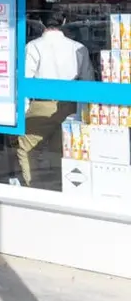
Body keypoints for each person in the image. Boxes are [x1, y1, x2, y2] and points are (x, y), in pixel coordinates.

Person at [16, 10, 89, 186]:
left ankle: (32, 186)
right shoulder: (78, 47)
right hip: (72, 106)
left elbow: (24, 80)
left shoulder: (33, 46)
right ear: (64, 21)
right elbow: (88, 81)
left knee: (26, 148)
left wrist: (23, 109)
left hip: (42, 105)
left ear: (41, 22)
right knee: (63, 150)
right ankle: (61, 186)